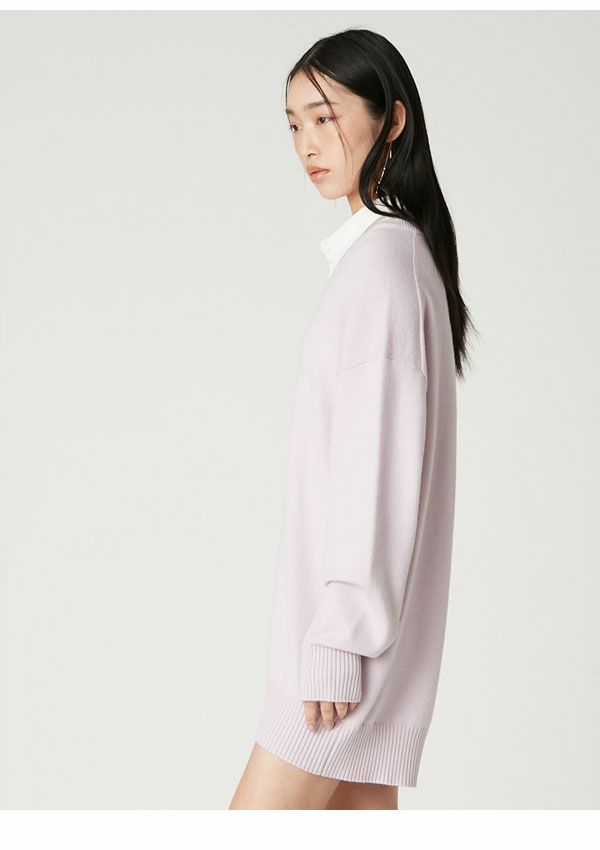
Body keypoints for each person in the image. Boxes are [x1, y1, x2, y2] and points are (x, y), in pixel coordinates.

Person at [230, 27, 476, 810]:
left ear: (391, 119)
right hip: (358, 656)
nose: (307, 142)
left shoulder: (383, 268)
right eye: (293, 123)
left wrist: (339, 637)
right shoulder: (395, 261)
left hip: (340, 663)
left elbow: (374, 469)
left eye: (326, 116)